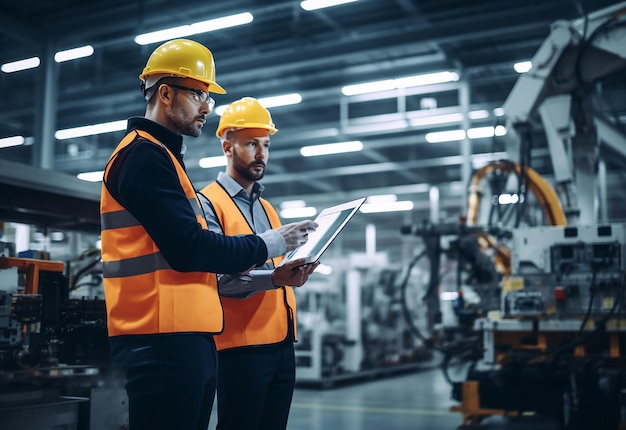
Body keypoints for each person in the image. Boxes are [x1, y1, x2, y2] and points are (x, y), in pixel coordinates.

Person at [99, 39, 316, 430]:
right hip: (161, 336)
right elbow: (189, 248)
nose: (206, 107)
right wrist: (273, 244)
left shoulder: (163, 157)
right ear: (165, 93)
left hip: (182, 336)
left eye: (208, 98)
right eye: (198, 94)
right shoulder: (143, 156)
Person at [197, 97, 319, 430]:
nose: (261, 153)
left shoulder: (268, 209)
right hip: (240, 348)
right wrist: (275, 280)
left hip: (281, 345)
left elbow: (275, 271)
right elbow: (218, 282)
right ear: (227, 147)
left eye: (265, 144)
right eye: (252, 144)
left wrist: (293, 274)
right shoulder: (208, 204)